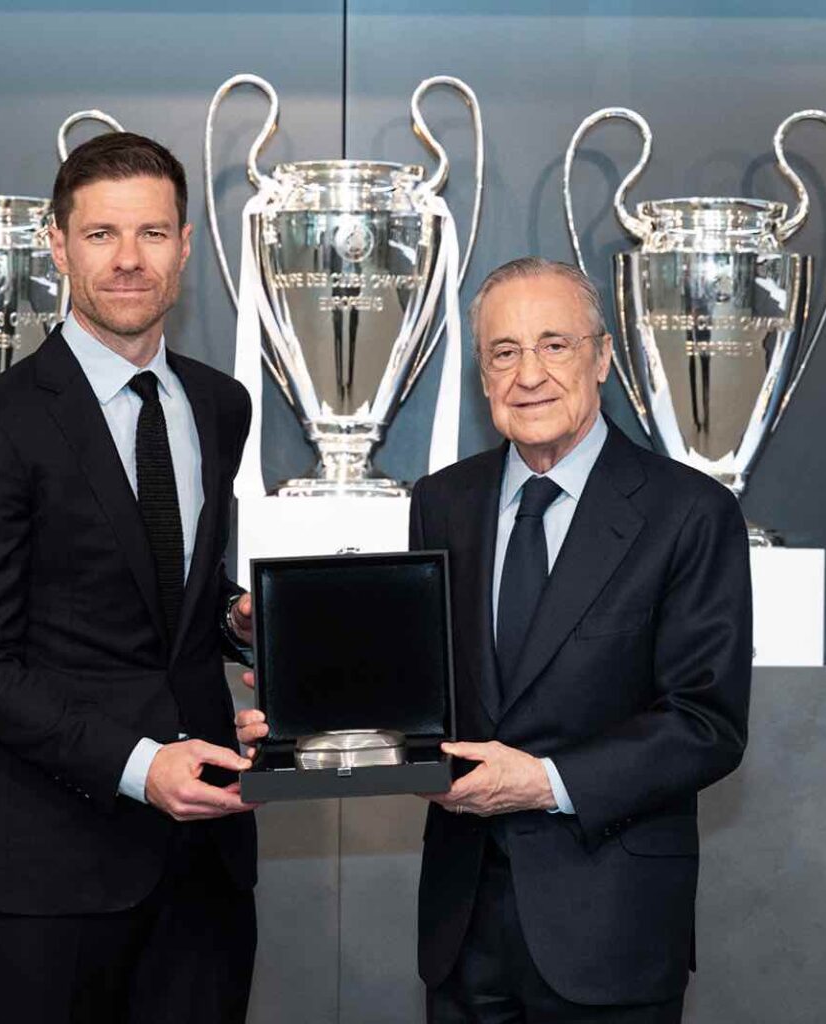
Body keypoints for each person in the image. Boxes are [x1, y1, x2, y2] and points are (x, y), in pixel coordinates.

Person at [239, 256, 752, 1023]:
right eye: (504, 352)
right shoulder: (444, 501)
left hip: (611, 929)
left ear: (602, 358)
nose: (528, 374)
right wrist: (304, 721)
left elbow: (706, 724)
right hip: (463, 929)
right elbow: (425, 686)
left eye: (554, 345)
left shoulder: (691, 512)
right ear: (483, 375)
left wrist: (544, 782)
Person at [0, 131, 258, 1024]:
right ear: (59, 245)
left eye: (152, 233)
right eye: (102, 234)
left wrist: (242, 618)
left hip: (207, 866)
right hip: (53, 871)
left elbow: (174, 589)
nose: (128, 259)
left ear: (185, 246)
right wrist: (142, 767)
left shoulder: (220, 405)